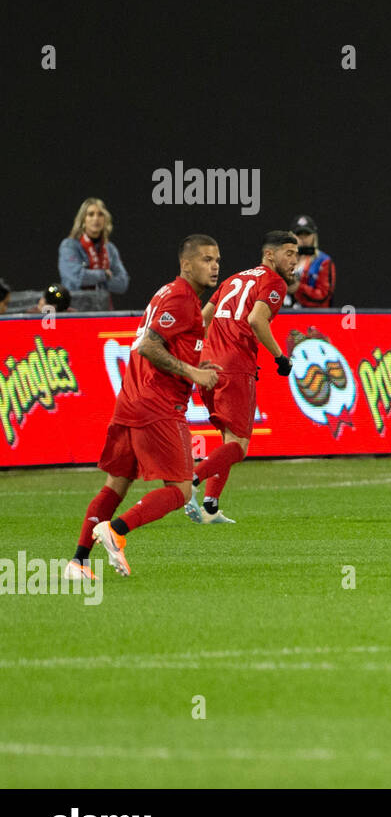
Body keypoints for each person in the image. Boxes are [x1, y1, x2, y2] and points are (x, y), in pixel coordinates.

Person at [66, 235, 222, 582]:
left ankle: (78, 562)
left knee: (115, 485)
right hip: (157, 406)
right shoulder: (181, 298)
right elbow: (147, 345)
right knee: (181, 490)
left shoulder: (169, 294)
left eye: (216, 259)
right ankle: (117, 530)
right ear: (186, 264)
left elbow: (162, 344)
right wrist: (192, 372)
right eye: (206, 259)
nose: (214, 266)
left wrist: (199, 364)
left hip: (131, 402)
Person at [185, 231, 297, 525]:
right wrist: (280, 358)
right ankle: (191, 481)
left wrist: (201, 352)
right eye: (289, 253)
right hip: (236, 366)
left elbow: (202, 318)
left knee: (227, 439)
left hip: (208, 366)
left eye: (296, 254)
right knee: (240, 446)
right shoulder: (273, 282)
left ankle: (210, 506)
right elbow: (256, 320)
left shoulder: (233, 279)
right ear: (269, 255)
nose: (294, 260)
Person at [59, 197, 129, 308]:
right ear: (83, 219)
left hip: (103, 310)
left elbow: (122, 283)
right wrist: (104, 275)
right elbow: (77, 277)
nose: (96, 219)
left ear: (105, 219)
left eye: (100, 214)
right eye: (91, 214)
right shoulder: (69, 245)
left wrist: (93, 278)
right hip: (75, 310)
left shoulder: (110, 248)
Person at [286, 214, 336, 307]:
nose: (303, 238)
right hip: (286, 314)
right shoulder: (284, 260)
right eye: (299, 234)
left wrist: (298, 288)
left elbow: (325, 296)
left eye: (307, 234)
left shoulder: (323, 261)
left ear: (314, 235)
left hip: (314, 317)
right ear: (291, 235)